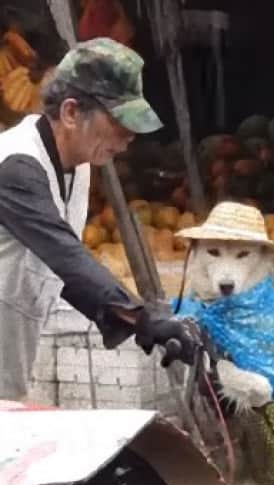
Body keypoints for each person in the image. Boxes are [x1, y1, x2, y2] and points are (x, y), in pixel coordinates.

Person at [0, 38, 197, 402]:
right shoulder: (16, 167)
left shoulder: (80, 167)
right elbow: (65, 255)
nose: (128, 138)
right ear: (72, 113)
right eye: (120, 122)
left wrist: (142, 322)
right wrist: (143, 316)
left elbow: (60, 270)